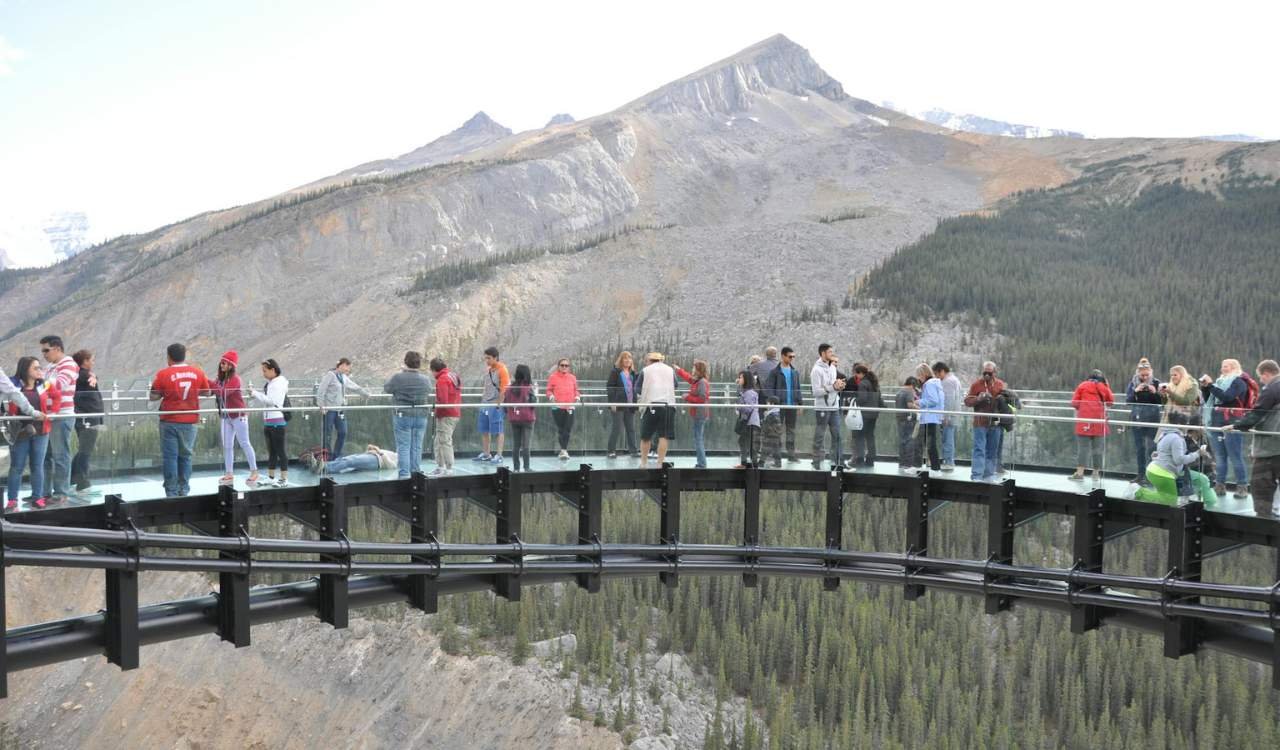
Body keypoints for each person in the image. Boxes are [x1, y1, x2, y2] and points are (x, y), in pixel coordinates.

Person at [149, 343, 210, 498]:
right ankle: (184, 488)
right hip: (190, 421)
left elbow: (153, 395)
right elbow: (207, 392)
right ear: (185, 356)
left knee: (170, 456)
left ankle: (171, 491)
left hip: (169, 420)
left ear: (169, 357)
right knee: (186, 455)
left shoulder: (163, 374)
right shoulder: (197, 373)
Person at [1223, 359, 1280, 517]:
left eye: (1261, 378)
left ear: (1266, 374)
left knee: (1261, 483)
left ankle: (1264, 517)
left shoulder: (1272, 388)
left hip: (1271, 445)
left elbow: (1258, 413)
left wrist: (1236, 426)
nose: (1261, 381)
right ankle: (1275, 510)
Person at [1126, 411, 1216, 505]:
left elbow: (1167, 451)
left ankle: (1209, 503)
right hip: (1164, 472)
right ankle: (1137, 491)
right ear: (1180, 425)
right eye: (1186, 424)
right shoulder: (1177, 438)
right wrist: (1198, 453)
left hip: (1159, 470)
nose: (1187, 427)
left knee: (1166, 497)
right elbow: (1179, 460)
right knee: (1169, 500)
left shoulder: (1166, 434)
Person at [5, 357, 59, 510]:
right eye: (35, 368)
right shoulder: (13, 384)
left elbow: (57, 396)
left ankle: (38, 497)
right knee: (17, 466)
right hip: (20, 431)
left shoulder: (44, 384)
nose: (39, 370)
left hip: (41, 430)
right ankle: (12, 500)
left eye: (39, 367)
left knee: (37, 465)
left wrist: (52, 412)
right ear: (25, 369)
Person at [1200, 358, 1254, 498]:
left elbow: (1226, 397)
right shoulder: (1220, 383)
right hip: (1216, 420)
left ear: (1234, 367)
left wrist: (1211, 385)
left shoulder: (1239, 382)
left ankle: (1242, 487)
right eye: (1222, 366)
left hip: (1232, 421)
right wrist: (1206, 387)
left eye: (1226, 366)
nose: (1222, 369)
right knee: (1220, 456)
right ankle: (1220, 486)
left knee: (1235, 456)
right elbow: (1209, 399)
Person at [208, 350, 259, 487]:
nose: (221, 364)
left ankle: (254, 471)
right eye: (221, 362)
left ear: (231, 365)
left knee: (244, 443)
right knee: (227, 446)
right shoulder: (220, 379)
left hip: (238, 416)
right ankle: (229, 473)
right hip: (226, 416)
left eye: (224, 362)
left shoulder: (235, 379)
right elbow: (214, 389)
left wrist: (210, 383)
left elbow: (223, 392)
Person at [39, 335, 78, 502]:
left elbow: (59, 385)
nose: (44, 354)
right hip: (47, 416)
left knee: (60, 454)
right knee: (45, 455)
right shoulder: (49, 367)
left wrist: (43, 382)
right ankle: (44, 492)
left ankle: (61, 492)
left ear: (57, 348)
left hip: (62, 416)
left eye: (46, 350)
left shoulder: (68, 364)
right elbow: (44, 386)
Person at [384, 351, 433, 478]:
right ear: (419, 364)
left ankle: (404, 474)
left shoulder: (398, 377)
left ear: (406, 362)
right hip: (421, 416)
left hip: (403, 415)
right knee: (417, 446)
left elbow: (387, 388)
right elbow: (428, 391)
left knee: (403, 446)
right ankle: (415, 473)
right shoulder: (425, 379)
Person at [314, 358, 372, 459]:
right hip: (329, 409)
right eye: (346, 366)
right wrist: (321, 405)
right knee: (327, 434)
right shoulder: (330, 375)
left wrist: (365, 394)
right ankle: (327, 457)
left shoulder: (343, 377)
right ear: (340, 365)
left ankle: (336, 455)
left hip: (340, 409)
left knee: (343, 432)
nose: (348, 369)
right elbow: (321, 391)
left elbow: (354, 386)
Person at [964, 361, 1007, 483]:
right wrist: (978, 398)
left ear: (994, 372)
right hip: (980, 423)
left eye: (989, 373)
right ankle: (977, 476)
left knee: (992, 450)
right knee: (979, 449)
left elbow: (1006, 401)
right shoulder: (976, 385)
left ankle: (988, 475)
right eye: (984, 372)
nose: (986, 375)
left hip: (995, 423)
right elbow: (967, 401)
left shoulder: (1000, 384)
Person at [250, 358, 290, 487]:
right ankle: (271, 477)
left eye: (265, 371)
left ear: (273, 370)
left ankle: (284, 479)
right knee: (272, 451)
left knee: (280, 451)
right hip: (269, 421)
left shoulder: (278, 383)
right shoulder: (272, 383)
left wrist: (255, 394)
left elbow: (272, 401)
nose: (264, 373)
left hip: (277, 421)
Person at [1070, 370, 1114, 482]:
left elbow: (1074, 403)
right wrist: (1106, 385)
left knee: (1083, 448)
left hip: (1084, 421)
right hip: (1099, 422)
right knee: (1098, 449)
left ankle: (1080, 473)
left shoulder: (1082, 385)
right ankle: (1096, 474)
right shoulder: (1104, 387)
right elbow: (1110, 402)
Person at [70, 349, 103, 494]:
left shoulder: (81, 375)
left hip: (84, 416)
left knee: (84, 448)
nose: (93, 362)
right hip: (88, 417)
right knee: (86, 449)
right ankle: (82, 481)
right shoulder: (85, 376)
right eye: (92, 359)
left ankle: (73, 477)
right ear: (85, 361)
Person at [1126, 360, 1165, 482]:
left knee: (1152, 449)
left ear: (1151, 373)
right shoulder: (1133, 383)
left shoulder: (1156, 383)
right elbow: (1128, 401)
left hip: (1153, 421)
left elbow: (1161, 403)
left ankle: (1151, 476)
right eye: (1142, 375)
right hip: (1137, 420)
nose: (1145, 378)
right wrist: (1136, 391)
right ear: (1138, 373)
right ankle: (1140, 475)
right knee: (1140, 449)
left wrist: (1155, 392)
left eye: (1147, 375)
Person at [763, 347, 802, 461]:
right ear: (783, 356)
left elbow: (798, 388)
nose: (792, 359)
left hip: (792, 405)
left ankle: (791, 455)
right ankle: (777, 457)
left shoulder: (795, 372)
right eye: (790, 356)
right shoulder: (774, 372)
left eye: (793, 357)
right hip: (779, 407)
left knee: (791, 430)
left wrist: (800, 403)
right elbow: (768, 388)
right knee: (776, 432)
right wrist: (773, 402)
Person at [638, 352, 677, 468]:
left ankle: (644, 462)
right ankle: (660, 463)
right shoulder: (670, 370)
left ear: (649, 360)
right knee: (663, 436)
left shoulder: (645, 370)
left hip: (651, 405)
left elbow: (637, 388)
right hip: (667, 405)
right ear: (661, 360)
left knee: (646, 436)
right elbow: (675, 385)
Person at [810, 344, 846, 471]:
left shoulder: (832, 368)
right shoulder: (816, 370)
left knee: (837, 435)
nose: (832, 353)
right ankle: (816, 461)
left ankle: (839, 461)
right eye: (830, 352)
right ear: (823, 353)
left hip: (834, 406)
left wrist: (839, 386)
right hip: (822, 408)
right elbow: (815, 392)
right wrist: (833, 387)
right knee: (820, 435)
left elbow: (832, 386)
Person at [473, 347, 510, 464]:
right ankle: (486, 453)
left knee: (498, 430)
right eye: (486, 358)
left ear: (495, 358)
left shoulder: (502, 370)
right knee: (484, 429)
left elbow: (505, 389)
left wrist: (499, 404)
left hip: (496, 404)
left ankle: (499, 455)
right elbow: (486, 386)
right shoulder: (488, 369)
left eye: (489, 358)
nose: (487, 360)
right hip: (485, 403)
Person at [429, 357, 462, 477]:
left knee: (445, 440)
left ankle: (448, 468)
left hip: (446, 415)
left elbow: (443, 400)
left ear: (434, 370)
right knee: (439, 440)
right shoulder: (453, 376)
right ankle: (440, 466)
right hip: (454, 413)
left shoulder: (442, 380)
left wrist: (436, 407)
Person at [676, 360, 712, 469]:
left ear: (698, 370)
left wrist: (687, 397)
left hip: (700, 414)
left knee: (698, 439)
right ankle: (701, 462)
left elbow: (702, 398)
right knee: (697, 438)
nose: (692, 370)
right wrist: (679, 371)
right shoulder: (697, 381)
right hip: (698, 413)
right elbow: (689, 378)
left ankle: (702, 464)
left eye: (694, 368)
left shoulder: (702, 382)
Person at [545, 358, 581, 460]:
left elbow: (576, 390)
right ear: (558, 366)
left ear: (569, 367)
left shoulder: (572, 378)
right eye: (562, 365)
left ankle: (564, 450)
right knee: (561, 429)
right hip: (557, 407)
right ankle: (563, 450)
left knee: (567, 429)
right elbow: (548, 390)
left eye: (566, 365)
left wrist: (577, 397)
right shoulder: (553, 377)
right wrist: (551, 397)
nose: (564, 367)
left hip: (570, 406)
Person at [606, 351, 639, 459]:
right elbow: (610, 388)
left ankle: (633, 451)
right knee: (616, 428)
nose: (627, 360)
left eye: (629, 358)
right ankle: (611, 451)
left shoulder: (633, 373)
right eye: (625, 358)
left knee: (631, 428)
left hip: (630, 405)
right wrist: (612, 403)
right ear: (621, 360)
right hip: (618, 404)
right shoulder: (615, 372)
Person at [504, 364, 537, 472]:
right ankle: (526, 467)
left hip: (514, 419)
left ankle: (516, 468)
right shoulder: (529, 387)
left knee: (516, 445)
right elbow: (533, 403)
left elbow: (505, 404)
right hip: (527, 419)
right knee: (526, 445)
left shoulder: (509, 388)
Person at [850, 364, 883, 468]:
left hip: (864, 414)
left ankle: (859, 460)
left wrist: (854, 400)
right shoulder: (874, 384)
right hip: (873, 414)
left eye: (856, 374)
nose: (856, 376)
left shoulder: (863, 384)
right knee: (870, 436)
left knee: (859, 436)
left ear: (860, 373)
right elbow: (880, 399)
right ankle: (871, 459)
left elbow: (863, 399)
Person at [933, 362, 963, 472]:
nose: (936, 377)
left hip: (949, 417)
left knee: (947, 439)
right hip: (954, 415)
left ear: (942, 371)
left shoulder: (947, 382)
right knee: (949, 439)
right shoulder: (955, 380)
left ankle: (948, 462)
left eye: (937, 374)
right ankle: (949, 461)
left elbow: (948, 400)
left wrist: (945, 416)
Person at [915, 363, 944, 472]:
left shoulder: (929, 384)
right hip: (934, 417)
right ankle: (934, 467)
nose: (918, 377)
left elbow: (933, 400)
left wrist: (919, 401)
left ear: (923, 374)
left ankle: (935, 468)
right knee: (930, 443)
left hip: (929, 417)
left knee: (930, 444)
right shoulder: (935, 383)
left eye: (918, 375)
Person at [311, 444, 398, 475]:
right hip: (371, 456)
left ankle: (324, 468)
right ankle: (321, 466)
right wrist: (372, 449)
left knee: (350, 461)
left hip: (376, 461)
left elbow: (391, 466)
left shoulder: (400, 459)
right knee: (345, 459)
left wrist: (379, 451)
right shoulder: (396, 453)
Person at [735, 370, 760, 468]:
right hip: (750, 422)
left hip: (750, 422)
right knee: (745, 442)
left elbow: (748, 408)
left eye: (741, 377)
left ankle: (747, 463)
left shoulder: (749, 393)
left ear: (746, 379)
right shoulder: (746, 392)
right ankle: (749, 463)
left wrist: (738, 406)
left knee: (745, 442)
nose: (739, 379)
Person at [896, 376, 920, 473]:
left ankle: (902, 463)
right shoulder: (909, 391)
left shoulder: (899, 392)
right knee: (910, 440)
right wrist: (919, 409)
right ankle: (908, 464)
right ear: (912, 385)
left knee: (902, 441)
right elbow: (910, 405)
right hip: (908, 419)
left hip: (899, 419)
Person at [761, 397, 784, 467]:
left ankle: (761, 463)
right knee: (776, 450)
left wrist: (763, 419)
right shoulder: (777, 413)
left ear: (772, 404)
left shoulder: (771, 414)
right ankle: (778, 463)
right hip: (776, 435)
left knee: (765, 449)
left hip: (770, 435)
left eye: (767, 403)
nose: (766, 405)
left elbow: (766, 426)